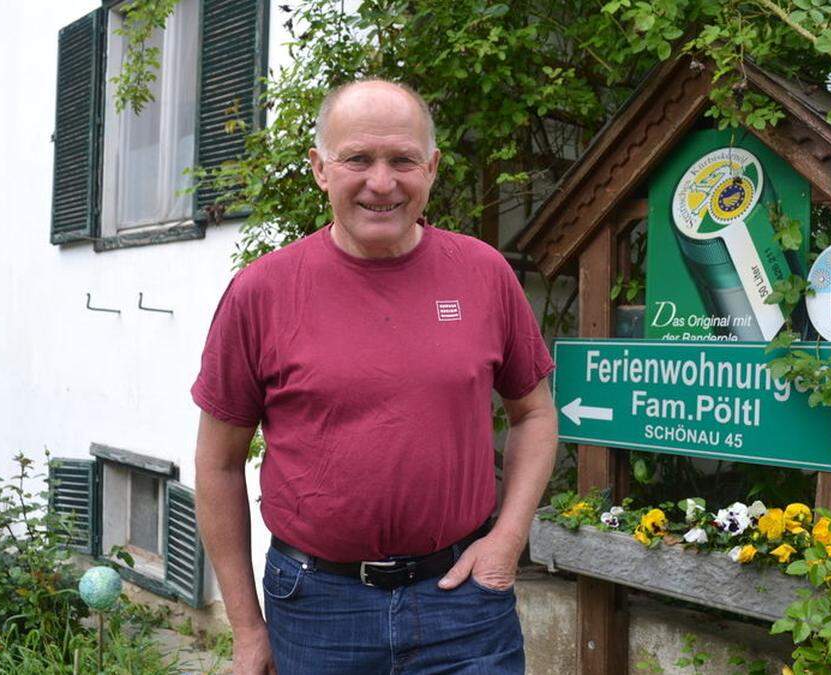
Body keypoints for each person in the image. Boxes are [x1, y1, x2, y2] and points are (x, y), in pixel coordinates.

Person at [191, 79, 558, 675]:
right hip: (316, 609)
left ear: (432, 168)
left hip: (462, 602)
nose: (381, 182)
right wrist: (246, 629)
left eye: (403, 160)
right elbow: (218, 463)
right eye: (358, 159)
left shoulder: (484, 275)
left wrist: (507, 541)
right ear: (320, 169)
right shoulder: (263, 292)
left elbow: (536, 414)